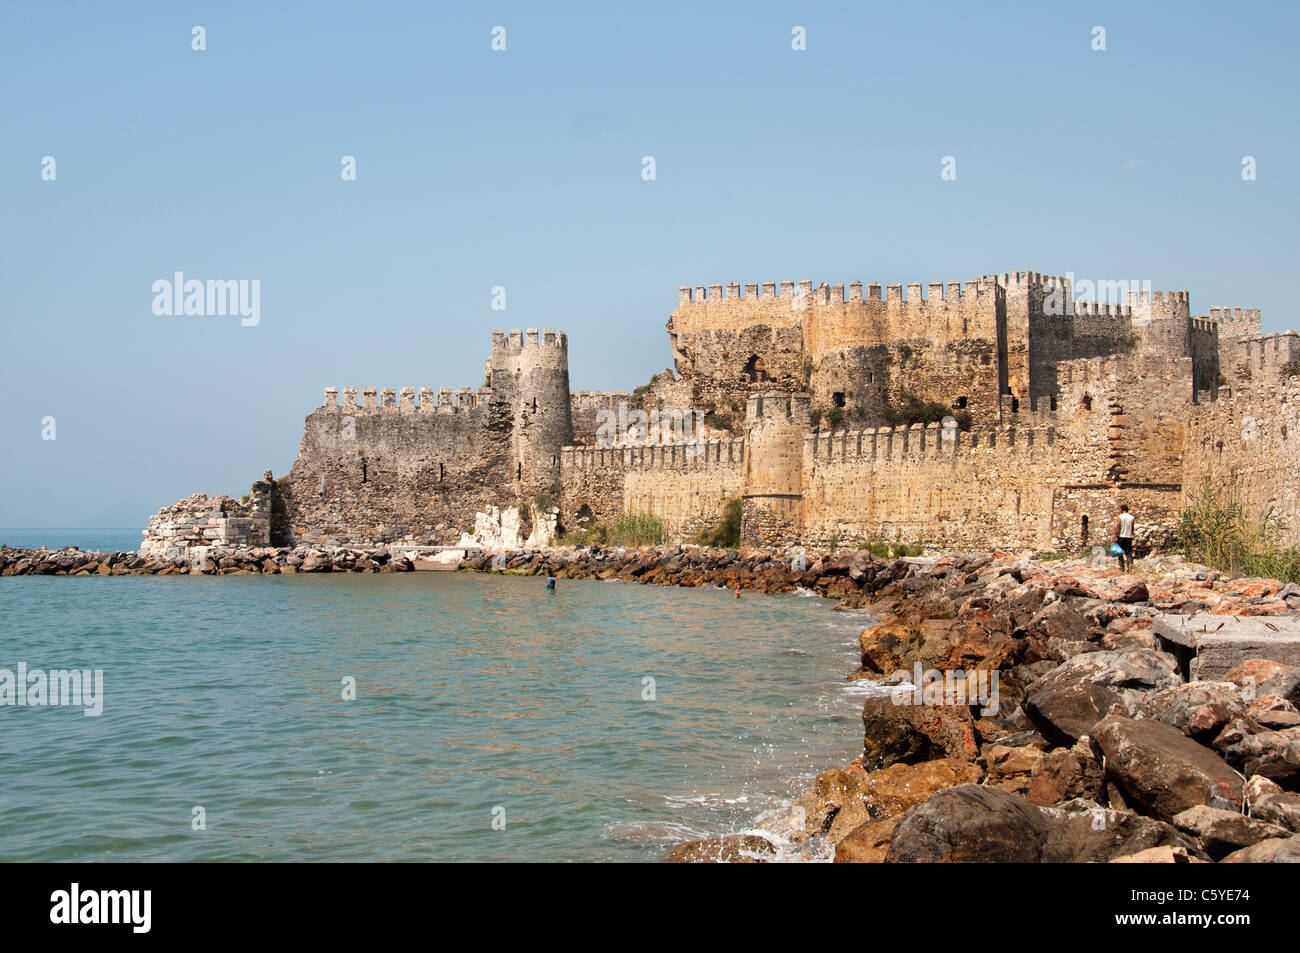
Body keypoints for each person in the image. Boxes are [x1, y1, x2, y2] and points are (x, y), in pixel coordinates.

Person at [1114, 504, 1136, 571]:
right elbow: (1132, 528)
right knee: (1128, 552)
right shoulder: (1132, 517)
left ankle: (1122, 567)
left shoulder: (1120, 517)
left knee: (1120, 552)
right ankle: (1129, 566)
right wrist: (1131, 534)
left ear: (1122, 509)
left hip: (1121, 536)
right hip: (1128, 537)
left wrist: (1115, 536)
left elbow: (1118, 527)